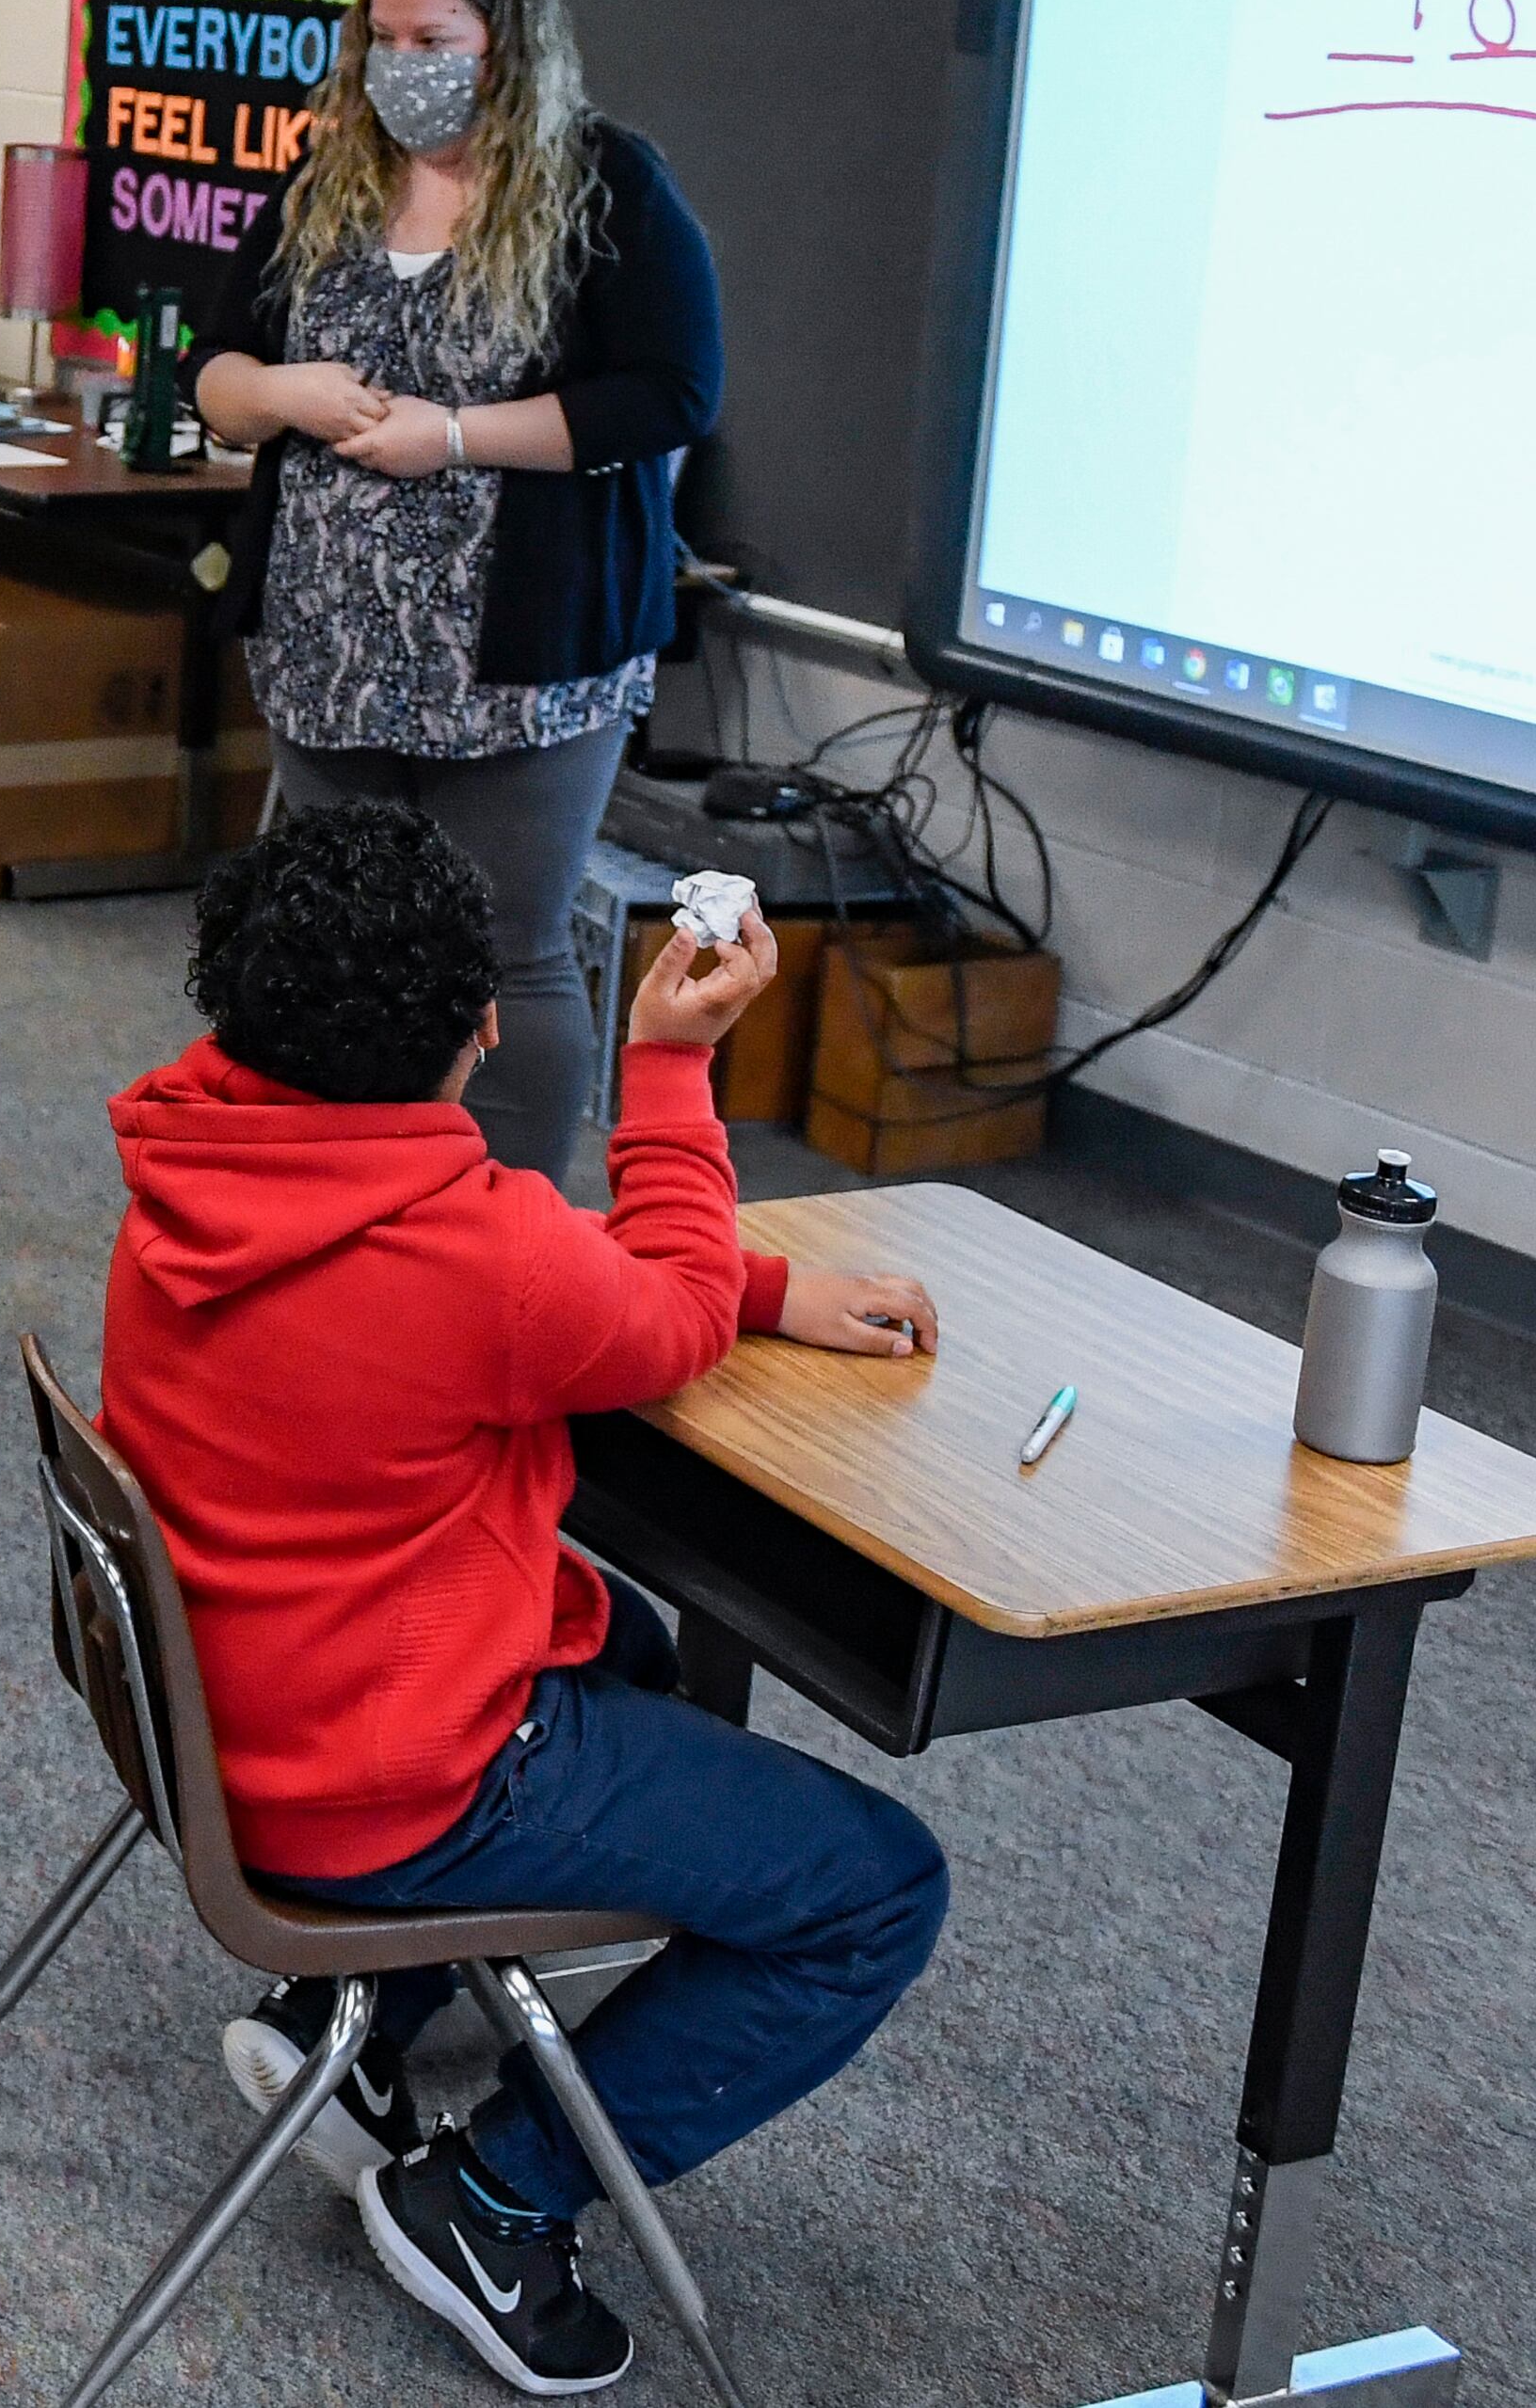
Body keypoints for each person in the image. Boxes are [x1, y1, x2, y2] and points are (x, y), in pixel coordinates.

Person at [102, 804, 949, 2398]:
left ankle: (360, 2007)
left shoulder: (198, 1148)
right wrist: (674, 1073)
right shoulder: (482, 1261)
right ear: (485, 1030)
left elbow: (537, 1265)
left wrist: (774, 1285)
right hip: (383, 1783)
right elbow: (658, 1313)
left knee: (627, 1632)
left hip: (219, 1717)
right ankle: (492, 2197)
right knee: (874, 1886)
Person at [189, 0, 727, 1192]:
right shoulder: (333, 179)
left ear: (510, 44)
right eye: (381, 36)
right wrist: (284, 396)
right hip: (330, 646)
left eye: (434, 36)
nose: (401, 64)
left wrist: (458, 434)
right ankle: (359, 1217)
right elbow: (214, 375)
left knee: (506, 949)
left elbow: (671, 394)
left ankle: (512, 1224)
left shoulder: (606, 188)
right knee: (341, 950)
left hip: (520, 664)